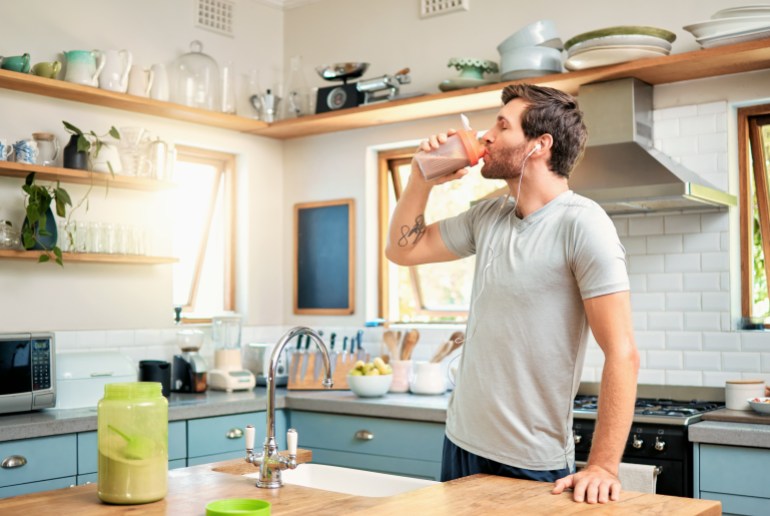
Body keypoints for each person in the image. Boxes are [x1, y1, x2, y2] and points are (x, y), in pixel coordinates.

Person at [385, 83, 640, 504]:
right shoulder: (488, 215)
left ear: (539, 145)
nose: (485, 135)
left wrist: (602, 466)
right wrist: (419, 177)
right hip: (462, 443)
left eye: (502, 126)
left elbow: (623, 352)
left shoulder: (583, 225)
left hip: (531, 460)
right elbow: (401, 249)